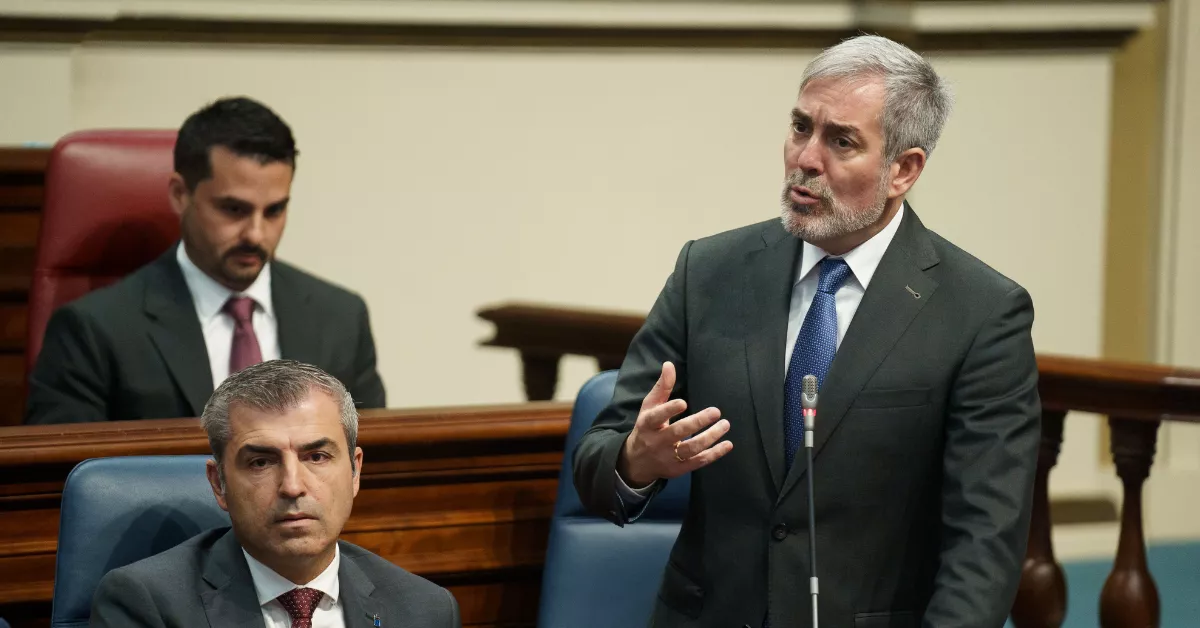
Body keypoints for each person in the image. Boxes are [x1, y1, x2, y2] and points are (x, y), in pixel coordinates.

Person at [573, 35, 1040, 627]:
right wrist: (636, 460)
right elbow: (597, 462)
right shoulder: (708, 274)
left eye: (841, 141)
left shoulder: (981, 313)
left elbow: (984, 546)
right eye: (800, 128)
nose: (806, 159)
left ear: (903, 170)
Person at [26, 97, 386, 424]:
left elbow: (371, 459)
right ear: (180, 195)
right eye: (234, 209)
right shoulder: (94, 331)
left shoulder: (341, 319)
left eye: (274, 211)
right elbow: (64, 469)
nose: (256, 234)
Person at [90, 359, 459, 627]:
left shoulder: (423, 610)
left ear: (354, 471)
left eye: (317, 456)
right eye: (261, 462)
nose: (293, 486)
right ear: (218, 483)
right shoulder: (148, 605)